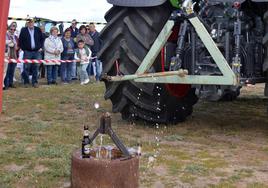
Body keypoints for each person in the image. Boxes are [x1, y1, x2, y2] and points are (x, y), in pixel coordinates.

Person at [19, 18, 44, 88]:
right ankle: (26, 82)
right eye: (29, 22)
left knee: (36, 67)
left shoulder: (38, 29)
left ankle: (35, 82)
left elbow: (42, 39)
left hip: (37, 52)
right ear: (27, 23)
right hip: (27, 52)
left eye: (32, 22)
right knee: (26, 67)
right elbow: (20, 41)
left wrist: (40, 47)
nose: (30, 23)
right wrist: (24, 49)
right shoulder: (23, 30)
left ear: (34, 23)